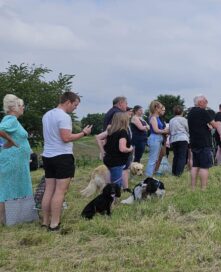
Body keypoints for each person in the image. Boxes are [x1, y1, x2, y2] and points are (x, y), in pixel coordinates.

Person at [41, 92, 92, 231]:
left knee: (49, 190)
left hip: (48, 156)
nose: (75, 108)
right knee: (60, 192)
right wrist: (83, 133)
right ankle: (54, 224)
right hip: (62, 157)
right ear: (68, 102)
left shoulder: (47, 115)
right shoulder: (63, 117)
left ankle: (45, 221)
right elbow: (66, 137)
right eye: (75, 105)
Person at [0, 94, 33, 226]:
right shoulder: (11, 119)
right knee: (7, 189)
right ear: (14, 107)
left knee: (11, 188)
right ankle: (3, 220)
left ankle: (12, 218)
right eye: (21, 105)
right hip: (12, 161)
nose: (23, 108)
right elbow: (0, 130)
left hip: (16, 161)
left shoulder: (12, 120)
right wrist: (10, 141)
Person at [187, 95, 220, 189]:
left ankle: (193, 187)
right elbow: (214, 125)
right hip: (204, 141)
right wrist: (217, 123)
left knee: (195, 165)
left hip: (194, 141)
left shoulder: (190, 112)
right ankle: (203, 188)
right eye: (205, 101)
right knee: (204, 166)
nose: (207, 102)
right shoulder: (202, 111)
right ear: (200, 102)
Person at [103, 112, 134, 188]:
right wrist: (130, 149)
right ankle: (113, 199)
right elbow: (122, 149)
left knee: (110, 181)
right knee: (116, 184)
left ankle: (108, 196)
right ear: (124, 120)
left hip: (108, 159)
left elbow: (102, 141)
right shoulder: (122, 132)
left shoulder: (110, 131)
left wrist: (102, 150)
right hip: (117, 161)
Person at [145, 101, 169, 177]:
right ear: (156, 108)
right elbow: (156, 130)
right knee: (152, 159)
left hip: (158, 138)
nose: (162, 109)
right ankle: (148, 176)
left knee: (155, 159)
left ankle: (150, 175)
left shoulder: (156, 117)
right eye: (160, 108)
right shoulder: (153, 118)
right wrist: (165, 131)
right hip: (154, 138)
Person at [169, 105, 189, 176]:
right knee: (182, 156)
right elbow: (187, 128)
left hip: (174, 139)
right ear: (182, 112)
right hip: (182, 138)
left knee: (176, 156)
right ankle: (179, 173)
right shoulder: (183, 119)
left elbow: (170, 130)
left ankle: (174, 172)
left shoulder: (171, 120)